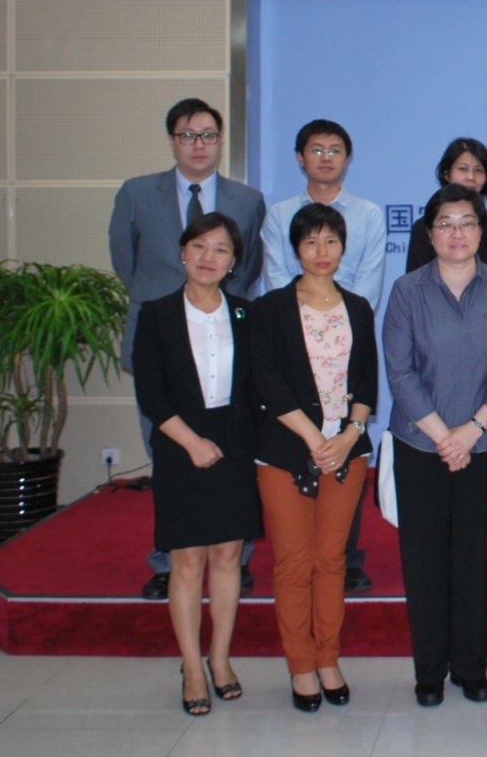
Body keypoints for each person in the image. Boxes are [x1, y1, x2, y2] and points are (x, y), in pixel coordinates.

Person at [110, 97, 265, 600]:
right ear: (172, 140)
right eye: (187, 135)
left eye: (208, 135)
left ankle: (234, 557)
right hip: (163, 341)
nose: (198, 145)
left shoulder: (248, 199)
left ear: (220, 141)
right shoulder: (137, 193)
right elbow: (125, 263)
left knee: (235, 450)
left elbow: (248, 268)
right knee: (167, 449)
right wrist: (167, 315)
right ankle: (170, 559)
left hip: (223, 336)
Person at [383, 183, 487, 708]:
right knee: (423, 562)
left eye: (467, 222)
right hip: (419, 446)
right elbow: (400, 371)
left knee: (474, 559)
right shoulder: (407, 291)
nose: (457, 233)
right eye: (445, 224)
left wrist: (473, 429)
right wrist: (444, 435)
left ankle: (470, 668)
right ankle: (429, 671)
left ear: (481, 230)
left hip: (482, 446)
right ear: (430, 234)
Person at [131, 212, 263, 716]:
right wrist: (191, 442)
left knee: (228, 557)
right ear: (183, 253)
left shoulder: (247, 315)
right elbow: (151, 392)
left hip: (235, 446)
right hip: (179, 445)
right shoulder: (156, 314)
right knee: (187, 562)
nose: (209, 257)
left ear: (234, 263)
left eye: (221, 249)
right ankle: (191, 667)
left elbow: (256, 387)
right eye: (200, 246)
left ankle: (220, 658)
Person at [251, 203, 377, 713]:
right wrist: (312, 438)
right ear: (295, 248)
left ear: (343, 247)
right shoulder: (270, 308)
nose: (321, 251)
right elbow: (265, 380)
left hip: (347, 453)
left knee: (331, 560)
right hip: (287, 451)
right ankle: (300, 664)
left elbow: (367, 382)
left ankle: (328, 658)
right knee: (293, 562)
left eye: (331, 241)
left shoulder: (359, 307)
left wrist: (348, 436)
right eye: (310, 241)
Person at [261, 119, 384, 594]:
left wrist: (342, 316)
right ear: (300, 157)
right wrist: (301, 318)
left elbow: (368, 283)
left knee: (346, 454)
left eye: (335, 150)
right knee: (297, 460)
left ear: (347, 158)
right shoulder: (279, 215)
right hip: (292, 340)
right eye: (316, 149)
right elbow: (277, 276)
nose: (326, 157)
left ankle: (344, 557)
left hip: (347, 338)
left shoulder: (368, 214)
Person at [406, 137, 487, 271]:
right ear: (447, 175)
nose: (471, 177)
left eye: (478, 170)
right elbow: (415, 280)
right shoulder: (424, 227)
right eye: (463, 169)